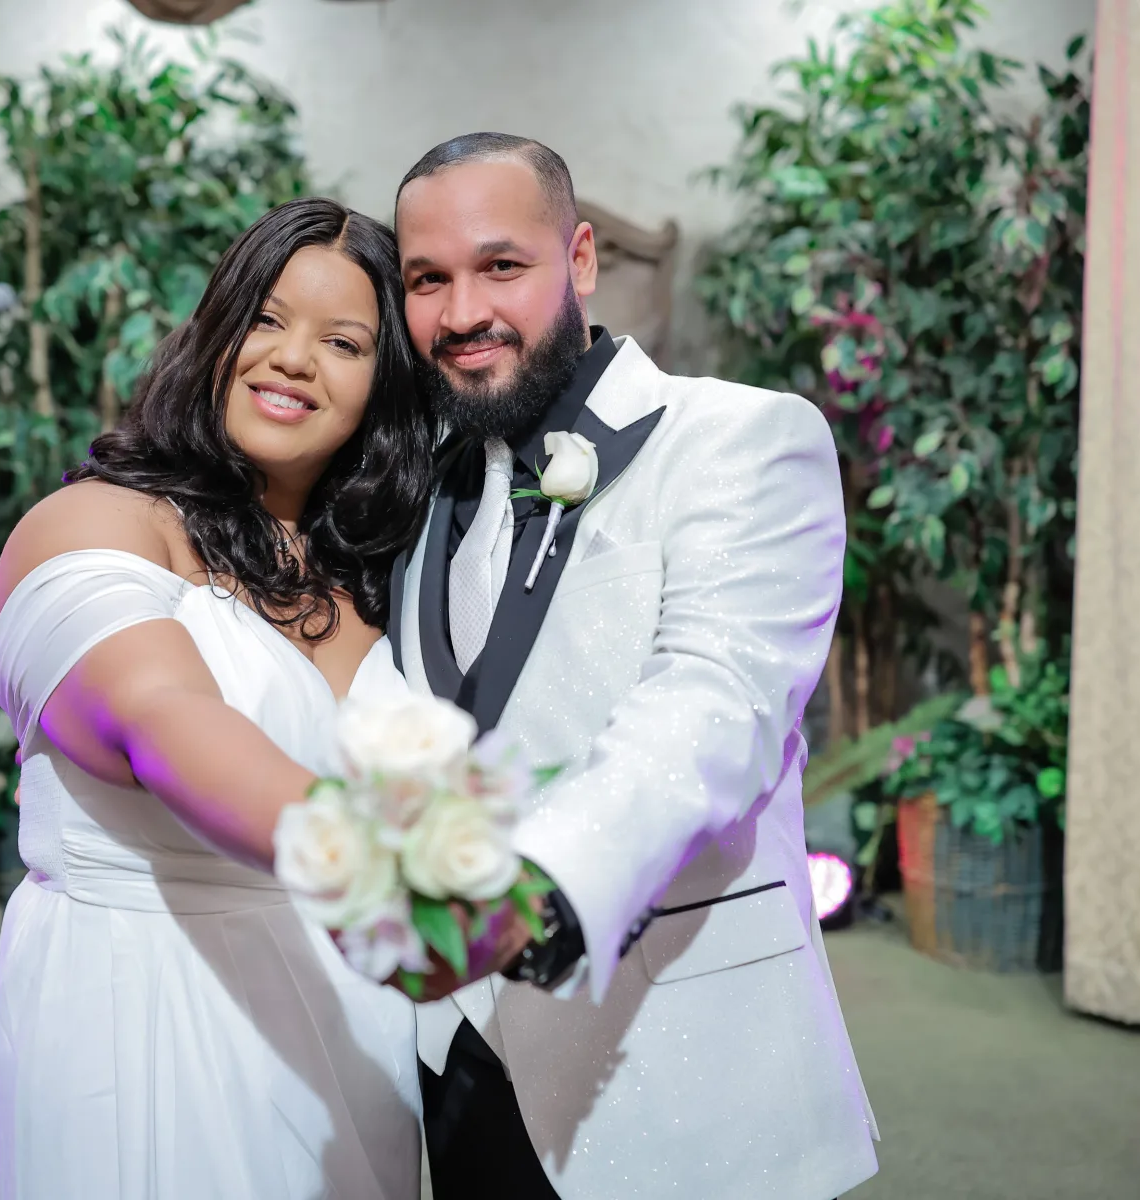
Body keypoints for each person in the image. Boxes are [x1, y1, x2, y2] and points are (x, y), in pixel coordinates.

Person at [386, 133, 880, 1200]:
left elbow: (715, 702)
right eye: (428, 279)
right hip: (454, 1059)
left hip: (674, 1061)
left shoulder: (741, 440)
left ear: (578, 261)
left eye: (500, 265)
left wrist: (547, 885)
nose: (461, 310)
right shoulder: (415, 481)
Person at [0, 197, 434, 1200]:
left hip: (355, 1026)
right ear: (217, 332)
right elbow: (160, 720)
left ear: (382, 385)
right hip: (146, 999)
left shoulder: (382, 571)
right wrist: (378, 874)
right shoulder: (95, 522)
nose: (291, 358)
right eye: (265, 319)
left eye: (343, 341)